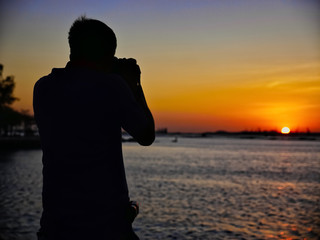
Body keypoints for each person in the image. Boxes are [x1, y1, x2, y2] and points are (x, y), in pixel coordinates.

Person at [33, 16, 155, 240]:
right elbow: (146, 135)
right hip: (106, 228)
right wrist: (134, 84)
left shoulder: (43, 87)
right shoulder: (112, 87)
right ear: (107, 54)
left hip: (55, 226)